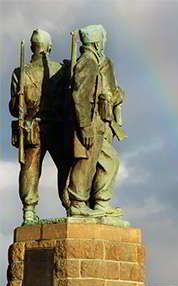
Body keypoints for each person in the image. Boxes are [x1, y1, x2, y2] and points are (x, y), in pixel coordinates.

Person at [9, 29, 70, 224]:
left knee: (30, 168)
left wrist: (18, 100)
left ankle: (28, 209)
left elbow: (13, 109)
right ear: (49, 47)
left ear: (33, 46)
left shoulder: (20, 72)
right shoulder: (60, 70)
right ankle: (71, 205)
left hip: (31, 128)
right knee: (66, 166)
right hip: (57, 127)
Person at [68, 24, 127, 222]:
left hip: (98, 122)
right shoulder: (88, 62)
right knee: (86, 162)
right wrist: (84, 126)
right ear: (95, 42)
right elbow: (80, 96)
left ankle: (101, 202)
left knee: (107, 161)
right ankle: (78, 204)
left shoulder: (96, 61)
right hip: (90, 123)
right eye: (102, 40)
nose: (104, 43)